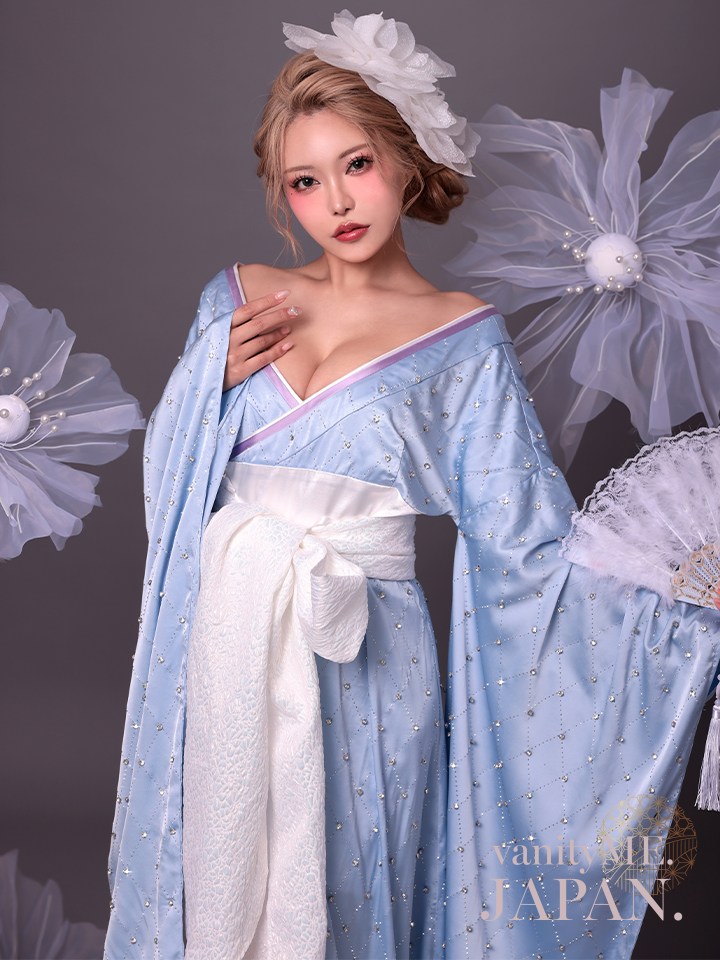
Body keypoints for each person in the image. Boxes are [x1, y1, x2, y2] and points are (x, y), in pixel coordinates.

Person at [104, 12, 720, 960]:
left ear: (404, 160)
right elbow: (169, 494)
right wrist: (203, 389)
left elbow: (530, 551)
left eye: (357, 164)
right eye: (304, 181)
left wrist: (674, 605)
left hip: (367, 658)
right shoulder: (240, 299)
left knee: (355, 886)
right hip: (228, 638)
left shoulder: (461, 336)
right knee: (216, 872)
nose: (336, 202)